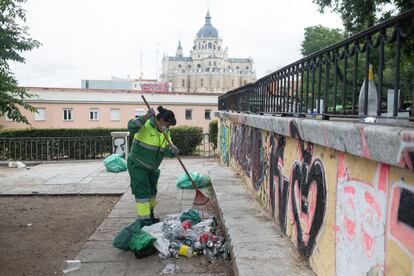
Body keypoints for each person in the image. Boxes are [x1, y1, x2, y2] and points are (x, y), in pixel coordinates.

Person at [127, 105, 179, 225]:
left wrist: (173, 150)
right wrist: (145, 117)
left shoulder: (165, 133)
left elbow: (167, 148)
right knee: (142, 194)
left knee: (152, 193)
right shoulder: (145, 125)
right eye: (167, 124)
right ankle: (144, 221)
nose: (168, 127)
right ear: (160, 120)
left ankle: (150, 216)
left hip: (152, 169)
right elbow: (131, 126)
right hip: (138, 166)